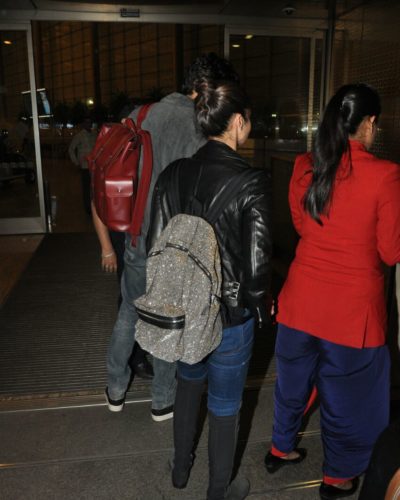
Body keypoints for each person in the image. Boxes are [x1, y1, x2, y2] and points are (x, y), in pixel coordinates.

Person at [264, 83, 400, 499]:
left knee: (292, 382)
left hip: (300, 302)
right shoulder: (385, 174)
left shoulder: (306, 165)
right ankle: (338, 476)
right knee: (350, 399)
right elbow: (391, 251)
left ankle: (279, 448)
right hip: (351, 315)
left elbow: (305, 227)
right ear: (370, 123)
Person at [148, 81, 271, 500]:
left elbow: (155, 245)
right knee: (224, 404)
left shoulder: (173, 174)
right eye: (249, 120)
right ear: (237, 122)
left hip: (184, 311)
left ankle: (180, 470)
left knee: (188, 383)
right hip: (230, 316)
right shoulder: (251, 182)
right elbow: (257, 271)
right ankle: (219, 489)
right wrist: (260, 312)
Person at [103, 53, 241, 421]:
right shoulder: (200, 126)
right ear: (207, 87)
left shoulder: (142, 115)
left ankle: (115, 388)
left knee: (130, 313)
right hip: (174, 241)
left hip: (137, 233)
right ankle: (162, 400)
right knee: (167, 317)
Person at [68, 116, 97, 215]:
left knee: (94, 188)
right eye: (87, 123)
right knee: (86, 189)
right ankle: (88, 209)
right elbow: (71, 149)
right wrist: (76, 162)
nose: (89, 124)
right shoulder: (79, 136)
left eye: (90, 122)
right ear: (84, 124)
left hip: (94, 167)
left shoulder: (94, 134)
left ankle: (94, 207)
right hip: (85, 166)